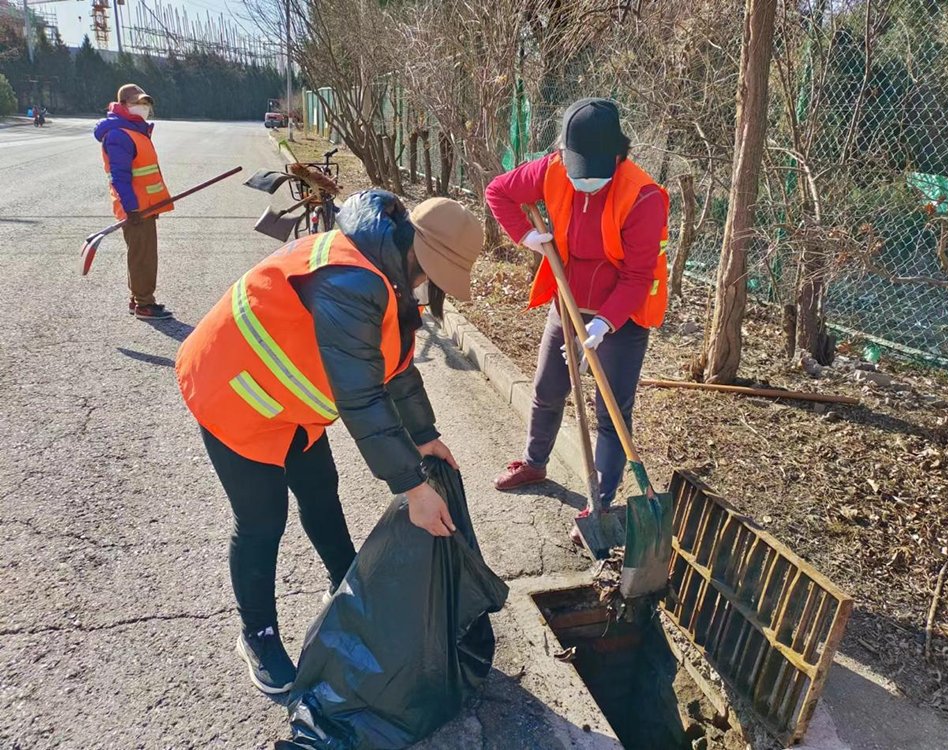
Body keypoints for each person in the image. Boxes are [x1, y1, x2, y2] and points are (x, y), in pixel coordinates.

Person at [175, 190, 484, 695]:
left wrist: (424, 437)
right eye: (431, 273)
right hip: (234, 391)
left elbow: (396, 366)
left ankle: (344, 580)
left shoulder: (389, 272)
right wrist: (412, 488)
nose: (429, 286)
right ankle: (258, 634)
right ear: (416, 254)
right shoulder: (353, 282)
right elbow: (362, 397)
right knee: (261, 520)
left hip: (287, 402)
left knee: (320, 488)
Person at [486, 98, 669, 544]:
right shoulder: (550, 170)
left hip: (621, 317)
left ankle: (600, 501)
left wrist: (603, 326)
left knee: (610, 412)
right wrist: (526, 235)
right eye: (577, 172)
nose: (585, 184)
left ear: (618, 156)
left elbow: (637, 276)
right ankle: (534, 462)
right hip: (567, 304)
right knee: (548, 389)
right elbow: (499, 192)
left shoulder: (643, 196)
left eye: (595, 175)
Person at [94, 84, 174, 320]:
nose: (145, 108)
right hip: (136, 209)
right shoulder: (120, 135)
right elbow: (120, 177)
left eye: (146, 104)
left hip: (145, 207)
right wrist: (132, 209)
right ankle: (144, 304)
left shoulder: (135, 131)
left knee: (142, 254)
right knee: (143, 257)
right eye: (139, 103)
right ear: (124, 105)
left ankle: (137, 299)